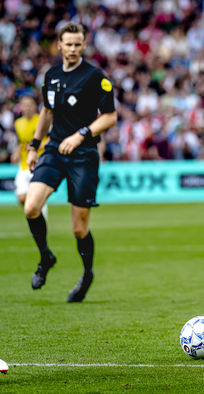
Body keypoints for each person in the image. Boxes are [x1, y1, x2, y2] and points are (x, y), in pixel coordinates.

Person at [24, 23, 117, 302]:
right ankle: (46, 257)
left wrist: (81, 134)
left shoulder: (95, 76)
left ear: (84, 45)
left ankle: (87, 274)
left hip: (84, 155)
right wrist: (33, 146)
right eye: (69, 44)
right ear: (59, 45)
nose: (73, 49)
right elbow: (46, 111)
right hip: (53, 150)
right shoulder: (50, 76)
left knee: (79, 228)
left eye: (78, 44)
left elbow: (110, 117)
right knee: (31, 207)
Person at [12, 96, 48, 217]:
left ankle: (38, 213)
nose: (27, 108)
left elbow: (51, 139)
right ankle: (38, 207)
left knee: (36, 193)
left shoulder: (41, 120)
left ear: (35, 106)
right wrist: (16, 153)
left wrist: (36, 146)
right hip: (23, 163)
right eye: (25, 105)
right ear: (21, 107)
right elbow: (21, 143)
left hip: (39, 162)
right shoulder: (18, 123)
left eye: (30, 105)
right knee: (21, 197)